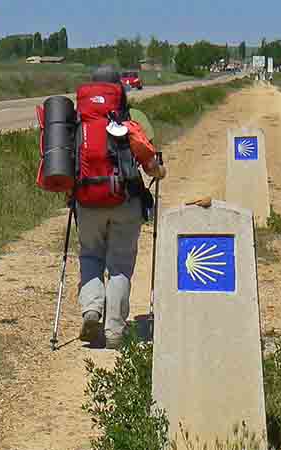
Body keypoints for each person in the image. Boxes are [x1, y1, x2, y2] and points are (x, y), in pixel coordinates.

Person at [77, 67, 166, 350]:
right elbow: (151, 164)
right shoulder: (134, 119)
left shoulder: (79, 120)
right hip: (124, 202)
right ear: (120, 89)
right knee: (120, 265)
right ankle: (114, 332)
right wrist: (159, 172)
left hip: (87, 201)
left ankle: (92, 309)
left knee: (90, 256)